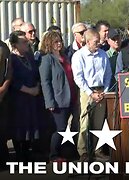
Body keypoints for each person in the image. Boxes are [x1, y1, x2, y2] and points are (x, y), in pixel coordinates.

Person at [71, 29, 112, 161]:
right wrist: (90, 93)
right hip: (86, 90)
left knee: (98, 123)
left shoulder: (103, 54)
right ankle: (83, 151)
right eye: (95, 42)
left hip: (101, 90)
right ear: (88, 42)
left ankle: (97, 150)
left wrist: (104, 91)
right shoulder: (78, 56)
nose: (98, 44)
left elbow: (108, 74)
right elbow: (78, 77)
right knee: (85, 121)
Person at [39, 31, 79, 162]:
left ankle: (68, 152)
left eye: (60, 41)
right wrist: (49, 102)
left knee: (73, 126)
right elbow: (45, 82)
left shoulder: (65, 57)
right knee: (60, 128)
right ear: (49, 43)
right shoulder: (47, 59)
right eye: (56, 42)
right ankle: (53, 155)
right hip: (58, 99)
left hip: (71, 96)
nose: (59, 43)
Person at [9, 31, 41, 162]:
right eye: (23, 42)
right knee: (19, 127)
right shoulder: (12, 59)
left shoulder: (29, 56)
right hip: (19, 99)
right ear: (15, 44)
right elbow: (12, 80)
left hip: (31, 98)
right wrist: (29, 90)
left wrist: (37, 87)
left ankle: (28, 152)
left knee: (30, 125)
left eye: (27, 41)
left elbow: (36, 73)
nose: (27, 44)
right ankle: (20, 155)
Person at [0, 40, 12, 169]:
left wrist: (4, 88)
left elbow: (9, 70)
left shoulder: (3, 47)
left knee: (2, 130)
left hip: (2, 94)